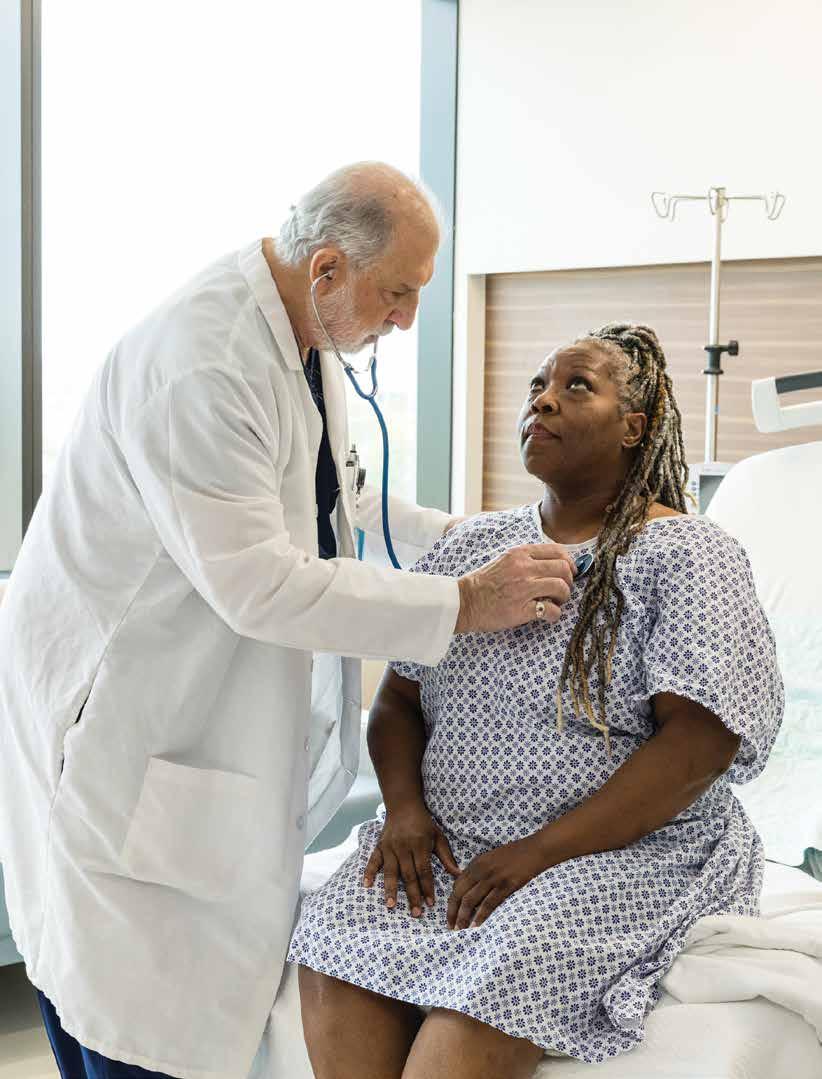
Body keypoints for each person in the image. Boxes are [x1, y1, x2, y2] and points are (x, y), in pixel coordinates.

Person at [0, 162, 577, 1079]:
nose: (406, 320)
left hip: (190, 715)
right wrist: (468, 601)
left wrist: (463, 538)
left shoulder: (304, 336)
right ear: (327, 268)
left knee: (160, 986)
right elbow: (261, 584)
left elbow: (335, 500)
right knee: (123, 1003)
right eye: (398, 293)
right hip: (119, 720)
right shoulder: (203, 364)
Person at [289, 323, 784, 1079]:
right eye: (537, 387)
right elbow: (396, 703)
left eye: (576, 386)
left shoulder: (688, 554)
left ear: (634, 427)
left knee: (495, 982)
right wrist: (405, 813)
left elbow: (699, 746)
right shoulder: (471, 546)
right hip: (456, 843)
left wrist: (539, 853)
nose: (543, 401)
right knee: (334, 939)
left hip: (625, 854)